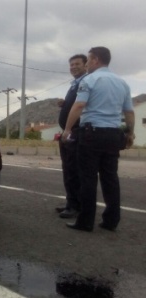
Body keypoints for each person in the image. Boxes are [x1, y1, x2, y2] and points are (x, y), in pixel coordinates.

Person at [62, 46, 135, 232]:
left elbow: (79, 105)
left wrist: (68, 129)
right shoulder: (122, 83)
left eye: (88, 60)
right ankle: (111, 220)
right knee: (110, 178)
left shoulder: (90, 80)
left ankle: (85, 221)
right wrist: (130, 133)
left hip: (91, 133)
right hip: (113, 134)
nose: (86, 64)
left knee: (88, 178)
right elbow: (129, 111)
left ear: (95, 60)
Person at [55, 54, 87, 218]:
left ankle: (75, 206)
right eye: (71, 64)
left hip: (76, 132)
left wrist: (68, 130)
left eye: (77, 64)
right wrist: (64, 104)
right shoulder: (75, 84)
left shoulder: (85, 82)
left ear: (85, 65)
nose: (73, 67)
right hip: (71, 132)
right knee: (68, 170)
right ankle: (71, 202)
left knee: (73, 170)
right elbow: (75, 105)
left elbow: (81, 105)